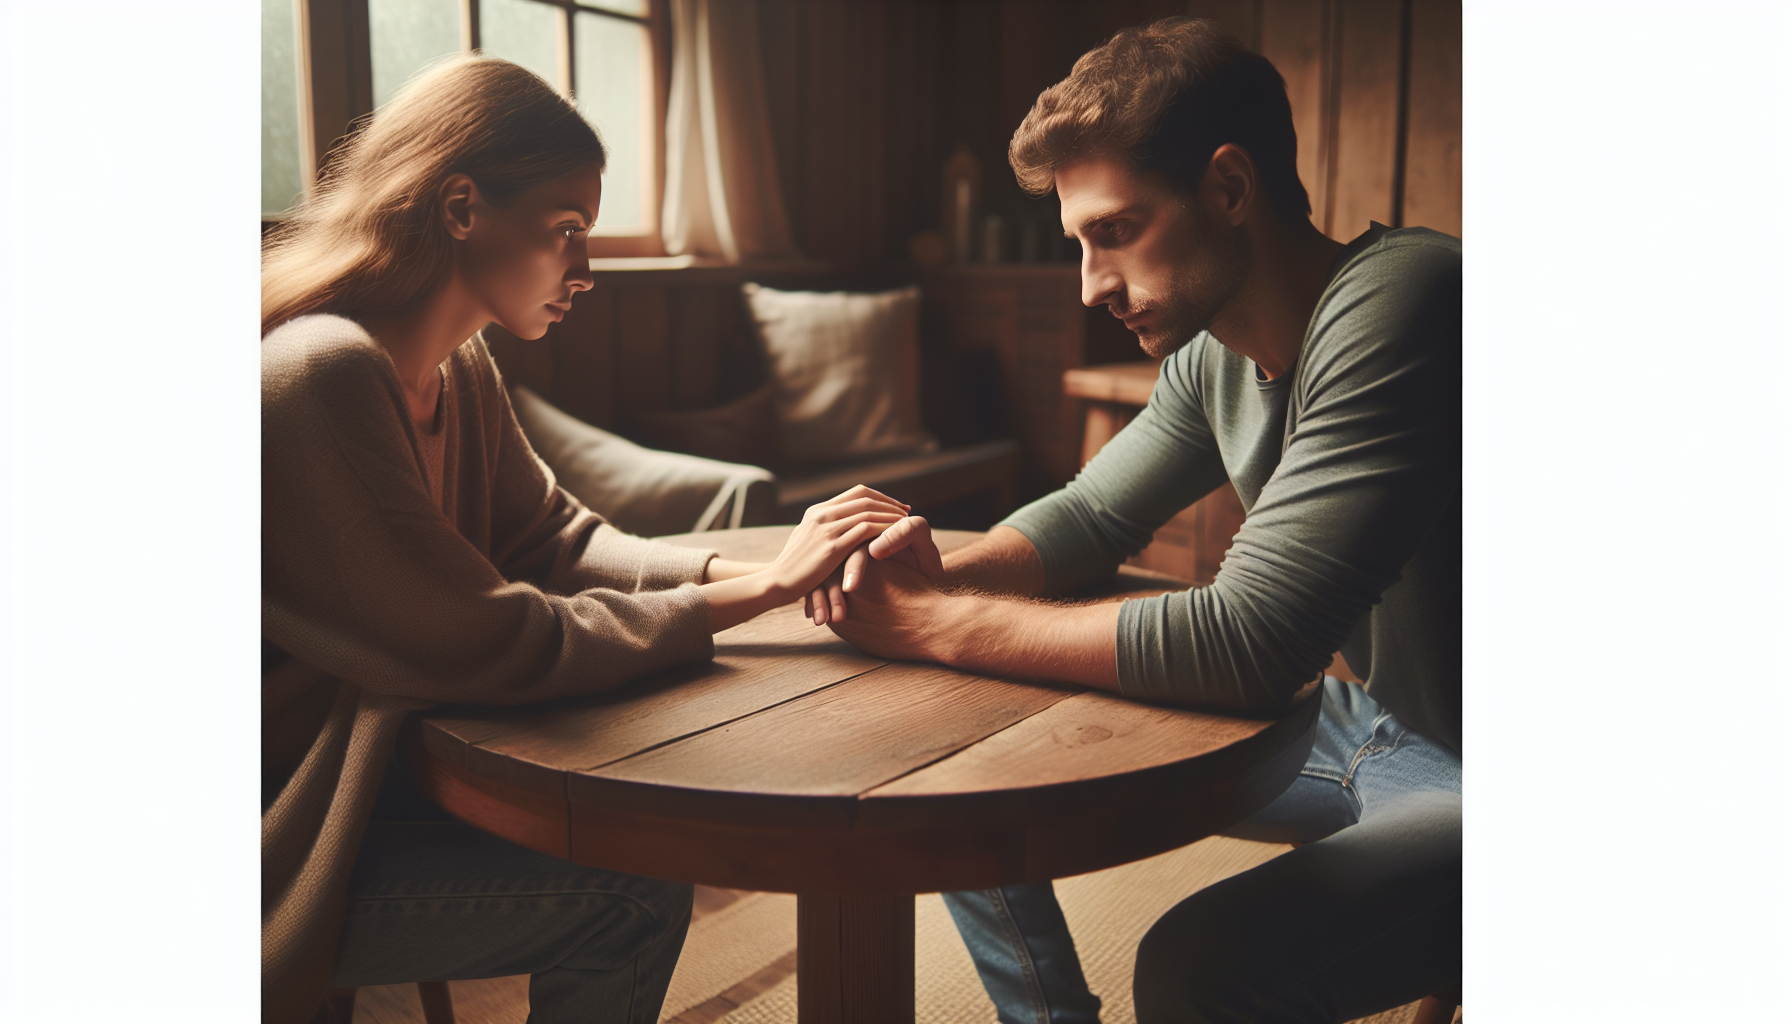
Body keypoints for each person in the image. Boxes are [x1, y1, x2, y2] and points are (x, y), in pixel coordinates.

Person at [817, 17, 1461, 1024]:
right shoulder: (1213, 354)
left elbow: (1247, 641)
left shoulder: (1408, 299)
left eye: (1113, 232)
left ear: (1229, 189)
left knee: (1191, 969)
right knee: (958, 769)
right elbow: (1083, 517)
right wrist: (928, 569)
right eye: (1079, 243)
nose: (1089, 284)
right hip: (1365, 726)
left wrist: (927, 621)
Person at [261, 55, 912, 1024]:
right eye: (566, 231)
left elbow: (557, 540)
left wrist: (753, 569)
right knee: (627, 897)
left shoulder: (459, 365)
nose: (587, 270)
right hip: (277, 839)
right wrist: (758, 592)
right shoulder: (322, 371)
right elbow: (480, 637)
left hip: (372, 794)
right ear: (460, 206)